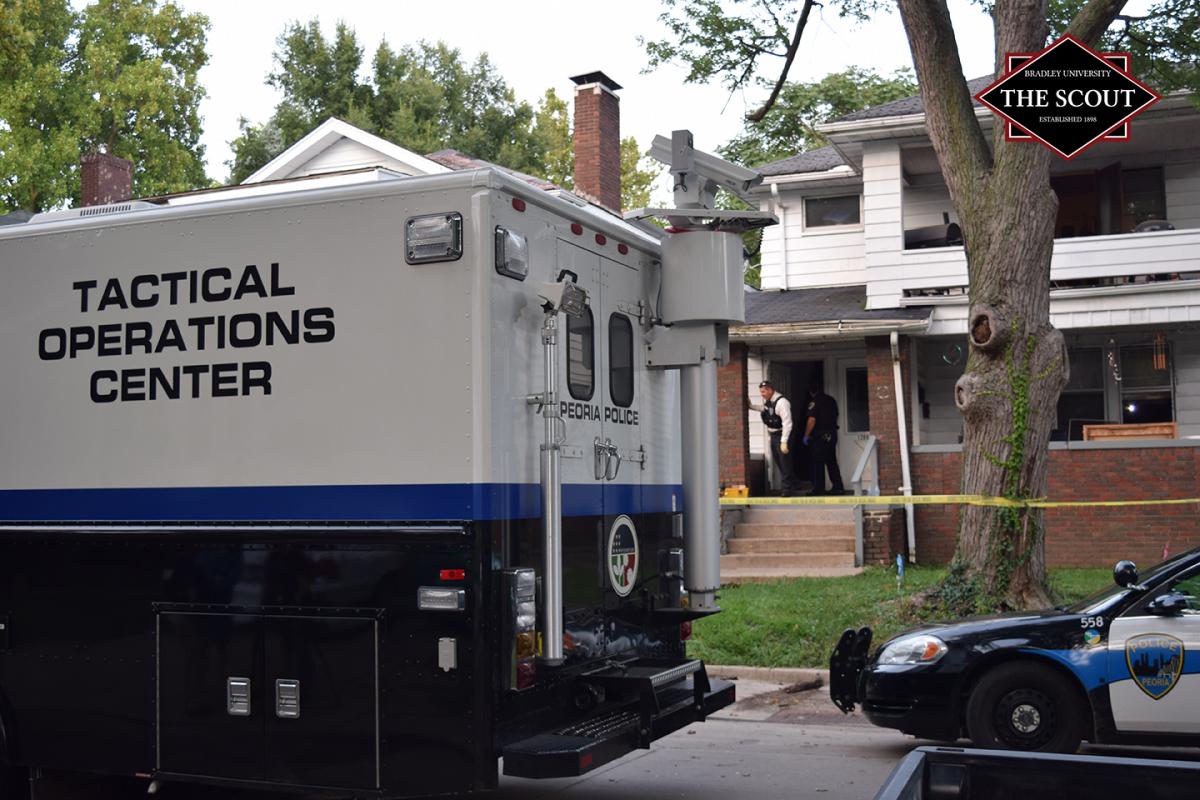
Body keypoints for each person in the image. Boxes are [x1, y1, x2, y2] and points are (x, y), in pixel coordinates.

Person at [752, 380, 796, 496]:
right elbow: (765, 409)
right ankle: (792, 483)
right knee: (779, 462)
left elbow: (787, 423)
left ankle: (787, 489)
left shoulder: (782, 403)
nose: (761, 394)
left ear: (770, 390)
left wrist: (784, 441)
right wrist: (751, 406)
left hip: (782, 435)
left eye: (763, 392)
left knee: (784, 462)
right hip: (774, 436)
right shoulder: (770, 402)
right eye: (761, 392)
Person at [804, 385, 845, 496]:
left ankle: (818, 489)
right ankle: (838, 487)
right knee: (831, 461)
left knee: (818, 462)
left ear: (811, 392)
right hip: (832, 434)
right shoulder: (831, 400)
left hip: (820, 435)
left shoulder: (815, 401)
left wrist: (806, 435)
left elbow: (812, 419)